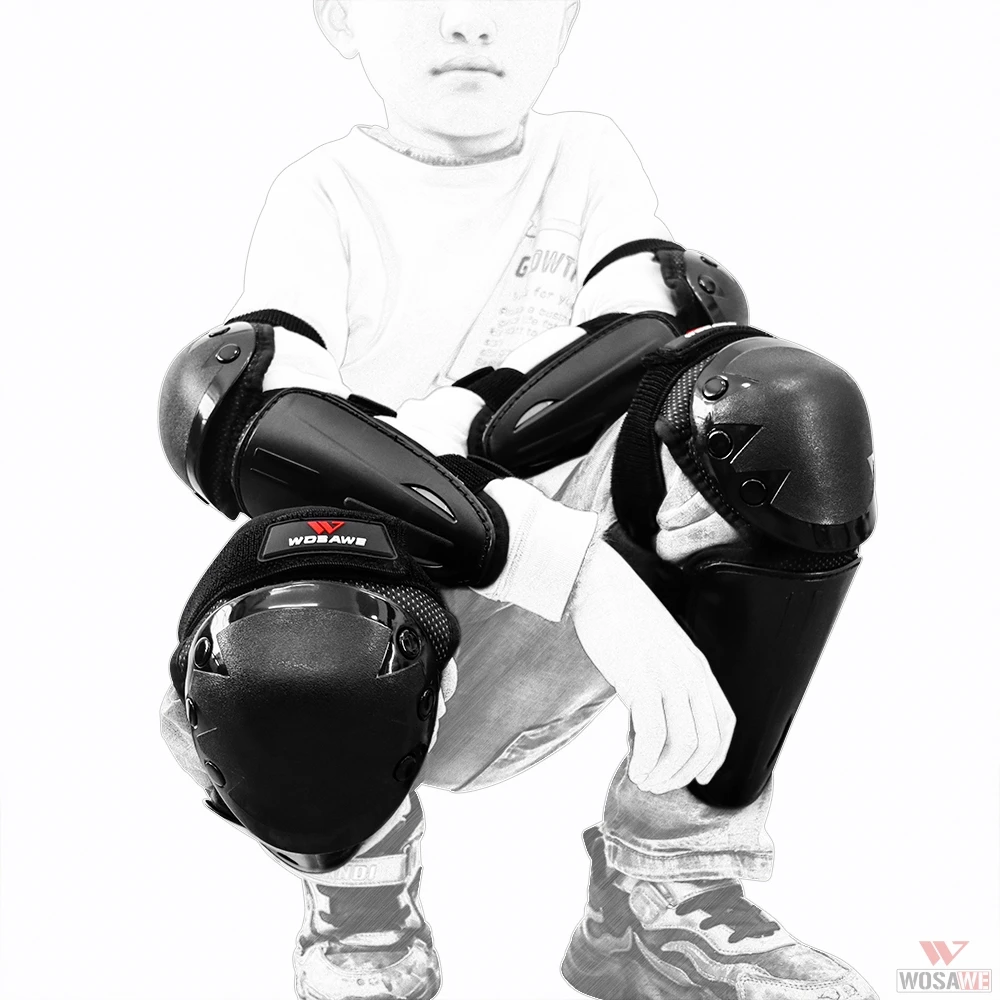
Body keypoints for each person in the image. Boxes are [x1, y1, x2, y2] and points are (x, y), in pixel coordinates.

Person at [158, 3, 877, 999]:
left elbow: (652, 330)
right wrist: (571, 565)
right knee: (294, 527)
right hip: (384, 630)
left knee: (769, 412)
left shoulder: (585, 155)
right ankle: (358, 891)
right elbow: (254, 421)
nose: (470, 25)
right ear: (341, 16)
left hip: (589, 631)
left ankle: (670, 887)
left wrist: (440, 434)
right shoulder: (324, 193)